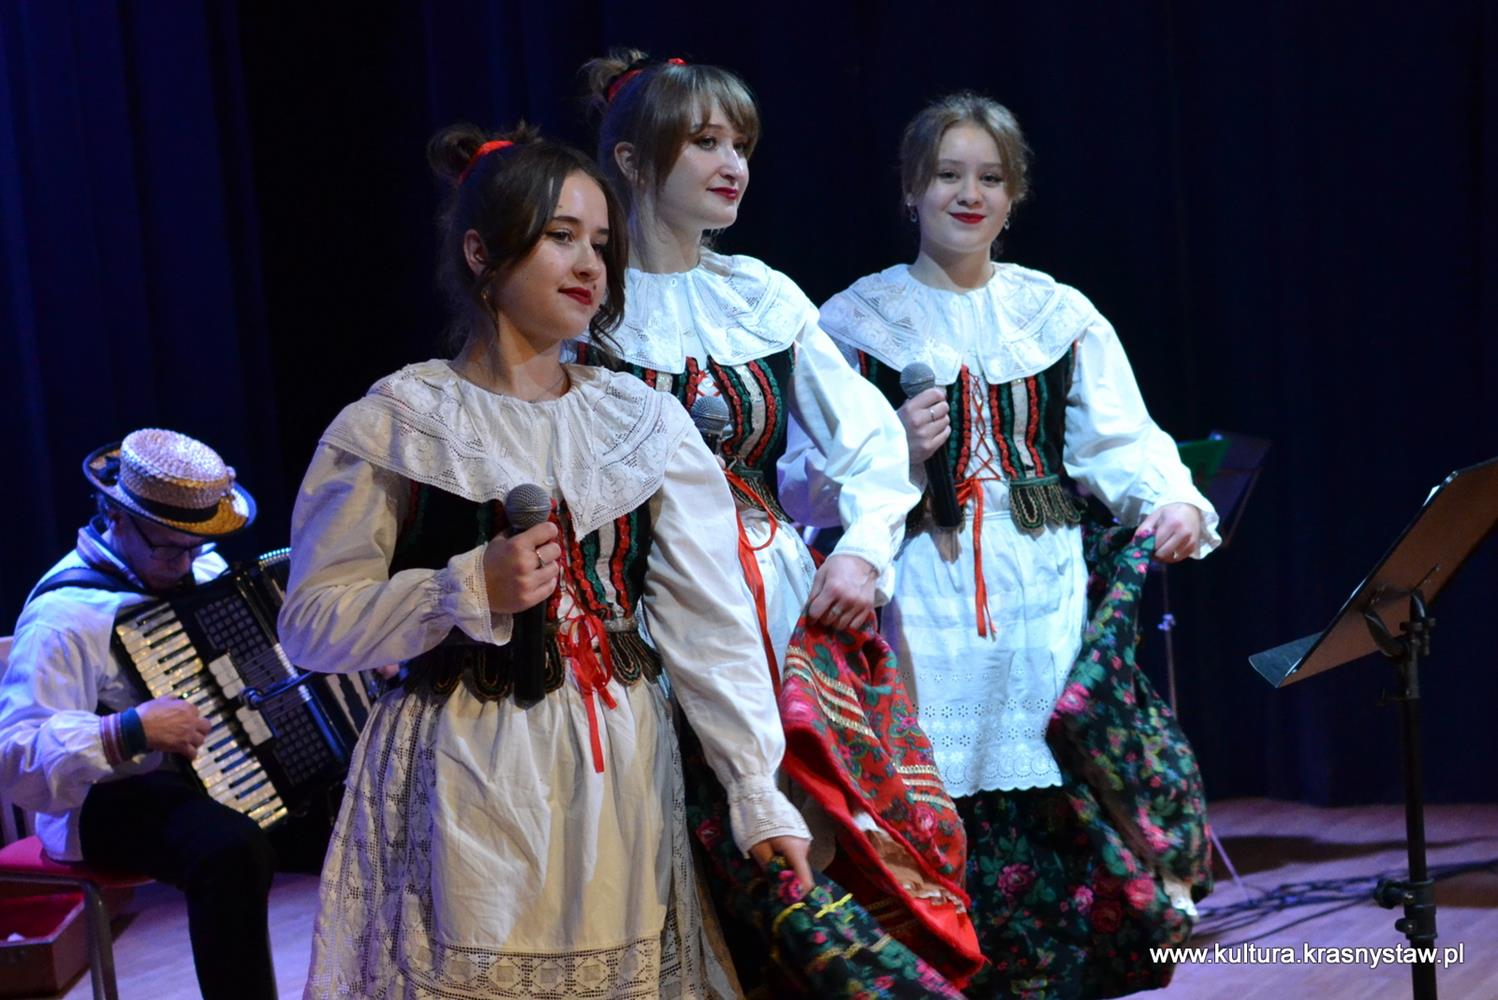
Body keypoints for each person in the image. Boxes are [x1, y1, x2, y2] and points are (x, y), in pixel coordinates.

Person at [279, 122, 811, 999]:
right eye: (562, 236)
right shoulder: (396, 424)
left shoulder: (641, 423)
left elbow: (710, 625)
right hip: (464, 769)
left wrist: (756, 790)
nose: (590, 265)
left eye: (601, 243)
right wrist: (462, 589)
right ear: (482, 253)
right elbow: (310, 625)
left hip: (621, 773)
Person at [809, 92, 1220, 997]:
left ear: (1015, 194)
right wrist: (891, 445)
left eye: (990, 177)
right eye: (948, 175)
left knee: (1051, 785)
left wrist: (1171, 499)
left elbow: (1120, 438)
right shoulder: (855, 321)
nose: (970, 194)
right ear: (910, 188)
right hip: (926, 590)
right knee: (942, 787)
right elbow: (806, 466)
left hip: (1040, 586)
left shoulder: (1055, 313)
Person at [575, 52, 918, 678]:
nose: (734, 166)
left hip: (769, 595)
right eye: (707, 143)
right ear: (631, 160)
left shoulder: (758, 298)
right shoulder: (584, 305)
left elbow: (870, 436)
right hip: (635, 606)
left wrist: (861, 553)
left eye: (742, 146)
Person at [0, 429, 277, 999]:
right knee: (230, 850)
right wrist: (128, 730)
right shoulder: (64, 617)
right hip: (101, 798)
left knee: (347, 806)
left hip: (213, 771)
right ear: (115, 517)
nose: (187, 563)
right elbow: (13, 754)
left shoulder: (202, 567)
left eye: (195, 546)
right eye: (170, 549)